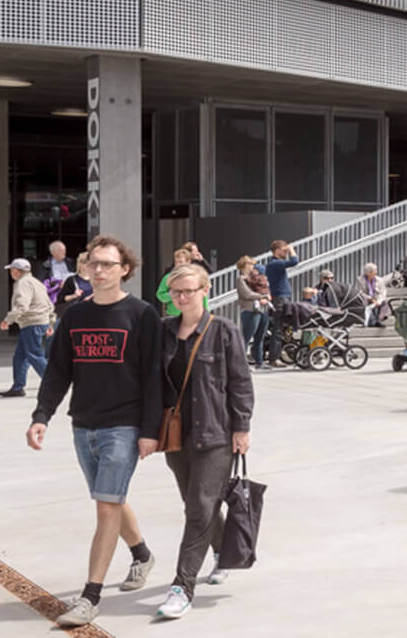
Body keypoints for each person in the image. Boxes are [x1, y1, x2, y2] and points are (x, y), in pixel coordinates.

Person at [27, 235, 164, 629]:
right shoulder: (74, 316)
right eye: (93, 264)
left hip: (124, 425)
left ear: (125, 269)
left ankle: (90, 596)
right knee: (112, 499)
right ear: (85, 268)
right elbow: (58, 372)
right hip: (82, 424)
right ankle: (142, 555)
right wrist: (41, 416)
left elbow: (153, 377)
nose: (100, 270)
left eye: (108, 264)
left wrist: (149, 429)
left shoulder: (142, 316)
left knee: (106, 506)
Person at [152, 263, 253, 619]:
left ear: (205, 291)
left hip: (216, 434)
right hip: (177, 436)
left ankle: (182, 587)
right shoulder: (163, 331)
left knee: (199, 507)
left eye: (189, 291)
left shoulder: (223, 331)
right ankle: (223, 551)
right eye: (176, 291)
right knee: (197, 504)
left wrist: (242, 428)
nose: (182, 297)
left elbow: (240, 383)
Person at [0, 256, 55, 397]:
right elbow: (49, 304)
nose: (11, 273)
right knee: (20, 357)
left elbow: (21, 305)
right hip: (39, 322)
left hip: (31, 323)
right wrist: (50, 322)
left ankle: (54, 383)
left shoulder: (22, 283)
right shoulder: (37, 283)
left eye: (11, 270)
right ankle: (18, 387)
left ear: (17, 271)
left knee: (35, 356)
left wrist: (8, 320)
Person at [234, 255, 270, 367]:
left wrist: (265, 294)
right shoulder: (241, 279)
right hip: (250, 310)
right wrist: (262, 296)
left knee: (260, 337)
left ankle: (259, 361)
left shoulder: (256, 278)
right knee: (246, 337)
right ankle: (241, 364)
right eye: (250, 264)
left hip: (262, 309)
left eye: (253, 265)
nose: (252, 267)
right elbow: (247, 294)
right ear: (244, 266)